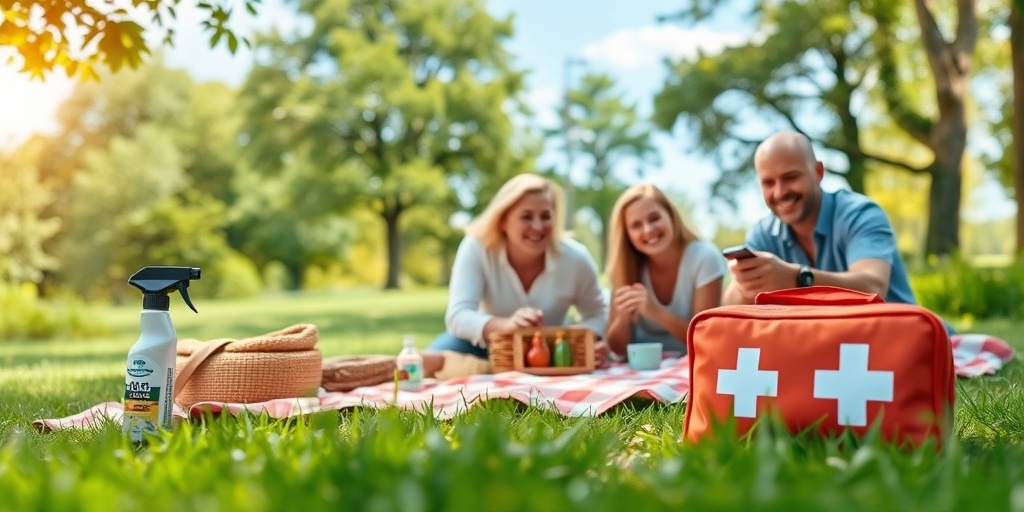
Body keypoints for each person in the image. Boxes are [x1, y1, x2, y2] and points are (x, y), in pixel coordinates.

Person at [723, 132, 952, 333]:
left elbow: (873, 287)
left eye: (790, 177)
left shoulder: (860, 214)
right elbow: (728, 311)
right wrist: (745, 282)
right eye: (768, 183)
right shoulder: (764, 234)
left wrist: (797, 277)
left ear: (818, 172)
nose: (780, 192)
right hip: (828, 345)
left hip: (898, 336)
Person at [428, 173, 611, 365]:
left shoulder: (575, 258)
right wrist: (506, 325)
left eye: (546, 216)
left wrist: (582, 336)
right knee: (428, 362)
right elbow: (458, 316)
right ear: (503, 221)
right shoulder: (477, 248)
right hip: (487, 345)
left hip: (550, 353)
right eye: (526, 216)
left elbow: (598, 313)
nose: (538, 226)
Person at [604, 183, 726, 357]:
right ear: (627, 234)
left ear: (670, 215)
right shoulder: (625, 267)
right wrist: (622, 318)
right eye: (636, 225)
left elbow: (705, 338)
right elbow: (617, 349)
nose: (648, 230)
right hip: (641, 371)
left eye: (654, 218)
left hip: (690, 364)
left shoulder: (703, 257)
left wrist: (656, 312)